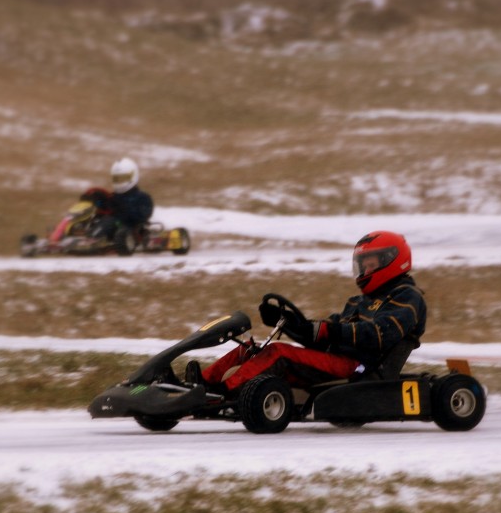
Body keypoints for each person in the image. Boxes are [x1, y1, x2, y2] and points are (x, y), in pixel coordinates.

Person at [190, 231, 427, 394]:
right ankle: (200, 384)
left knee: (279, 353)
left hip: (361, 368)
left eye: (370, 264)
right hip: (337, 359)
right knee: (250, 348)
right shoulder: (361, 300)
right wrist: (293, 324)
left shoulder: (406, 297)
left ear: (391, 261)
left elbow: (378, 334)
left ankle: (222, 392)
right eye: (362, 264)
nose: (364, 269)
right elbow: (328, 331)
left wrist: (328, 330)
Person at [84, 157, 154, 242]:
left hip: (130, 229)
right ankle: (80, 234)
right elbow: (105, 208)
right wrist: (96, 202)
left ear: (133, 176)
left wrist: (123, 208)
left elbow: (143, 215)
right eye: (117, 179)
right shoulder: (113, 197)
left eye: (123, 178)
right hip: (110, 227)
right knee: (95, 218)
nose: (120, 182)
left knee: (110, 221)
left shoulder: (142, 197)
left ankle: (92, 239)